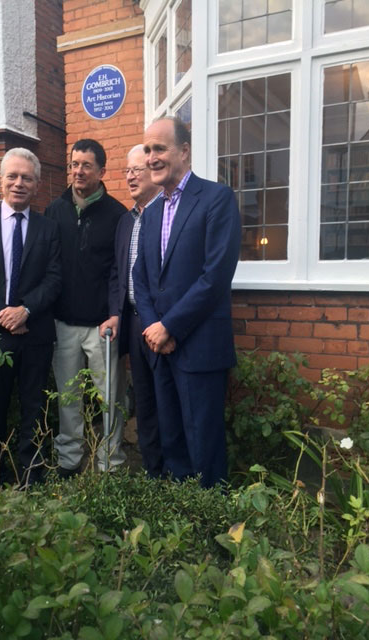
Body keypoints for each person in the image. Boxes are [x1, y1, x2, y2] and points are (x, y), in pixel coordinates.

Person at [133, 117, 241, 488]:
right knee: (173, 444)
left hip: (199, 348)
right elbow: (140, 278)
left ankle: (214, 530)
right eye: (147, 150)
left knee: (204, 448)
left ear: (184, 150)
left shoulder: (216, 199)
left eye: (159, 148)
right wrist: (152, 329)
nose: (151, 158)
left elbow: (215, 277)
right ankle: (183, 526)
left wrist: (170, 326)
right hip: (160, 348)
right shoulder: (150, 214)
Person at [0, 147, 63, 485]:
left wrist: (26, 310)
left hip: (35, 335)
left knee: (34, 410)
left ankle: (32, 479)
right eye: (12, 176)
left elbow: (54, 277)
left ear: (36, 185)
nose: (19, 183)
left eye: (26, 178)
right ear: (0, 180)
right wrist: (3, 316)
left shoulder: (49, 228)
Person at [45, 139, 127, 476]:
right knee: (68, 398)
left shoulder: (117, 214)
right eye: (74, 164)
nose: (78, 171)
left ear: (101, 171)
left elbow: (119, 271)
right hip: (63, 324)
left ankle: (111, 462)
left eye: (86, 165)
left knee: (110, 399)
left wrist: (115, 313)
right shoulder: (55, 210)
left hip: (101, 326)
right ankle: (69, 460)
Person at [100, 144, 164, 477]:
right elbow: (117, 272)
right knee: (145, 403)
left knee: (168, 402)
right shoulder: (127, 221)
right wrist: (115, 312)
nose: (129, 177)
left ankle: (176, 473)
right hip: (134, 323)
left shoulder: (168, 214)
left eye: (136, 170)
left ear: (154, 171)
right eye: (126, 171)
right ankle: (154, 472)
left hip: (162, 327)